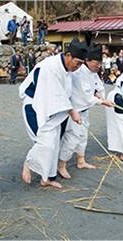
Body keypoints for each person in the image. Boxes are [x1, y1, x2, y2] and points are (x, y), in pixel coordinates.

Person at [19, 38, 87, 188]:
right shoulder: (50, 66)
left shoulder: (69, 69)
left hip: (54, 109)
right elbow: (55, 94)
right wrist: (71, 111)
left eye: (82, 64)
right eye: (78, 62)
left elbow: (67, 94)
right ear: (68, 55)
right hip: (36, 105)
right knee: (46, 141)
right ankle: (29, 163)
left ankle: (47, 178)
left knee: (54, 142)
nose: (79, 67)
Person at [58, 42, 113, 179]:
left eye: (100, 62)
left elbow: (98, 86)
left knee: (83, 136)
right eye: (96, 62)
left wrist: (101, 95)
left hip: (85, 110)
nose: (99, 65)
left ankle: (81, 161)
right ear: (87, 60)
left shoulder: (93, 72)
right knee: (72, 139)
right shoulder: (80, 71)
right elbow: (86, 95)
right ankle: (61, 165)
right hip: (74, 111)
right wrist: (101, 101)